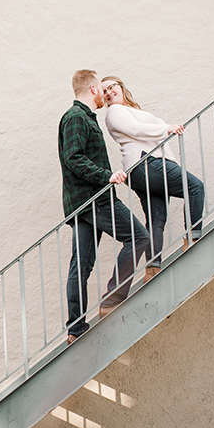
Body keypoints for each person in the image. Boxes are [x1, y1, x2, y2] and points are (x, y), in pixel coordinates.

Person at [59, 70, 150, 344]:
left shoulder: (82, 117)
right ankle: (112, 298)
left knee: (81, 265)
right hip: (95, 199)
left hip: (84, 204)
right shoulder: (76, 117)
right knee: (139, 237)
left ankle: (75, 328)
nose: (103, 94)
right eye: (100, 88)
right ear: (92, 89)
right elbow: (73, 157)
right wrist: (106, 176)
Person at [101, 76, 205, 283]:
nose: (108, 92)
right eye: (104, 91)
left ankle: (152, 268)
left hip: (143, 168)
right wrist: (166, 128)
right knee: (194, 187)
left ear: (120, 86)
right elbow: (135, 130)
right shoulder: (115, 111)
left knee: (157, 219)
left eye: (111, 87)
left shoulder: (130, 109)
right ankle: (192, 238)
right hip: (147, 163)